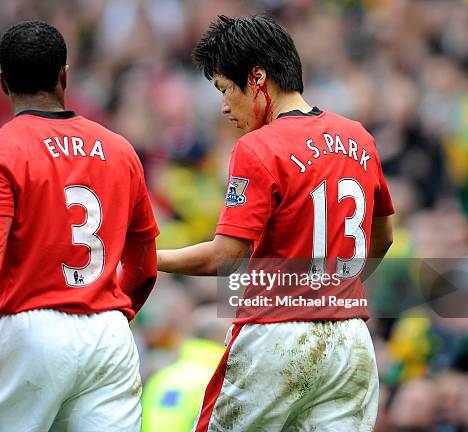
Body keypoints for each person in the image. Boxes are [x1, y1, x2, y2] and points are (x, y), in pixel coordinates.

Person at [157, 15, 394, 431]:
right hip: (351, 340)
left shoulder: (258, 147)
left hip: (277, 336)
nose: (225, 106)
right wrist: (336, 287)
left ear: (257, 78)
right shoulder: (359, 137)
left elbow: (225, 256)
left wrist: (146, 256)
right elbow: (383, 237)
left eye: (226, 89)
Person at [0, 21, 158, 432]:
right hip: (109, 335)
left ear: (3, 83)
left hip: (29, 332)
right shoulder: (120, 149)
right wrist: (107, 316)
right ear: (65, 76)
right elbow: (144, 265)